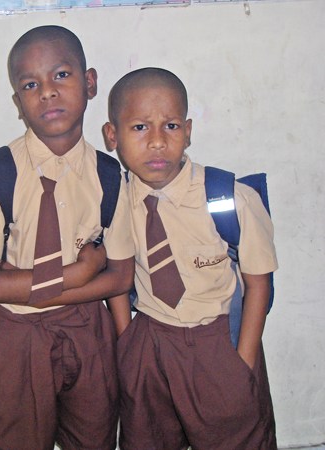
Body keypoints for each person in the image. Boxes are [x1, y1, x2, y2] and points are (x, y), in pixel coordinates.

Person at [0, 25, 135, 450]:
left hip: (87, 329)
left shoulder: (109, 176)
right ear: (18, 103)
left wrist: (24, 287)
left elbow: (121, 277)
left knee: (94, 437)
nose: (48, 92)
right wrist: (78, 274)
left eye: (61, 75)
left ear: (89, 83)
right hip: (13, 337)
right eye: (30, 85)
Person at [102, 67, 278, 450]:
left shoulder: (229, 198)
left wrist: (243, 362)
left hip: (217, 341)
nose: (157, 142)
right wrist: (127, 342)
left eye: (171, 126)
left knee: (236, 438)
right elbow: (117, 274)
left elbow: (258, 283)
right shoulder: (114, 202)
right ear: (112, 136)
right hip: (150, 340)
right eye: (139, 128)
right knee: (147, 439)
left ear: (188, 131)